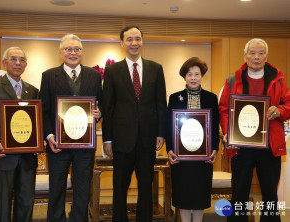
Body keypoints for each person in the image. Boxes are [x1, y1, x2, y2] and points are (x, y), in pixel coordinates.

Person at [219, 38, 290, 222]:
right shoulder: (233, 79)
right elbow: (224, 109)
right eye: (252, 53)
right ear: (245, 56)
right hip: (241, 146)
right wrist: (227, 132)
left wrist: (279, 110)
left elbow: (288, 105)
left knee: (270, 197)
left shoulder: (279, 79)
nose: (256, 57)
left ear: (266, 56)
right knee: (239, 194)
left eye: (260, 53)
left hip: (269, 146)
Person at [102, 24, 167, 221]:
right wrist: (108, 140)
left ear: (142, 41)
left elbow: (160, 104)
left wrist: (161, 133)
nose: (134, 43)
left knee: (146, 187)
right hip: (122, 140)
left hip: (147, 139)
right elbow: (108, 107)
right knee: (119, 187)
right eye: (129, 39)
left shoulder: (156, 69)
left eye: (137, 39)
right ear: (122, 43)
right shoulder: (112, 70)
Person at [39, 34, 102, 222]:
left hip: (85, 145)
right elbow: (44, 109)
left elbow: (102, 103)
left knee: (83, 189)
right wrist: (49, 135)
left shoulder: (94, 75)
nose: (73, 53)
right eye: (68, 49)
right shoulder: (49, 75)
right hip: (57, 144)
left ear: (82, 52)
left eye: (76, 49)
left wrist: (99, 113)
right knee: (57, 188)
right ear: (60, 52)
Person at [165, 57, 219, 222]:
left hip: (203, 157)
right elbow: (169, 126)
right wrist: (170, 150)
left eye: (197, 74)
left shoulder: (211, 98)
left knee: (199, 196)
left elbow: (214, 125)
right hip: (181, 157)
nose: (193, 78)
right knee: (183, 194)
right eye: (190, 74)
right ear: (184, 76)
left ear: (203, 76)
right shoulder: (175, 98)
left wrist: (214, 149)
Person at [0, 47, 39, 222]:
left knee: (25, 204)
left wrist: (38, 141)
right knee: (1, 207)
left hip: (27, 160)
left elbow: (36, 122)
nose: (18, 63)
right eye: (13, 59)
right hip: (2, 158)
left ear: (26, 64)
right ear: (4, 63)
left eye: (21, 60)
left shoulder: (32, 91)